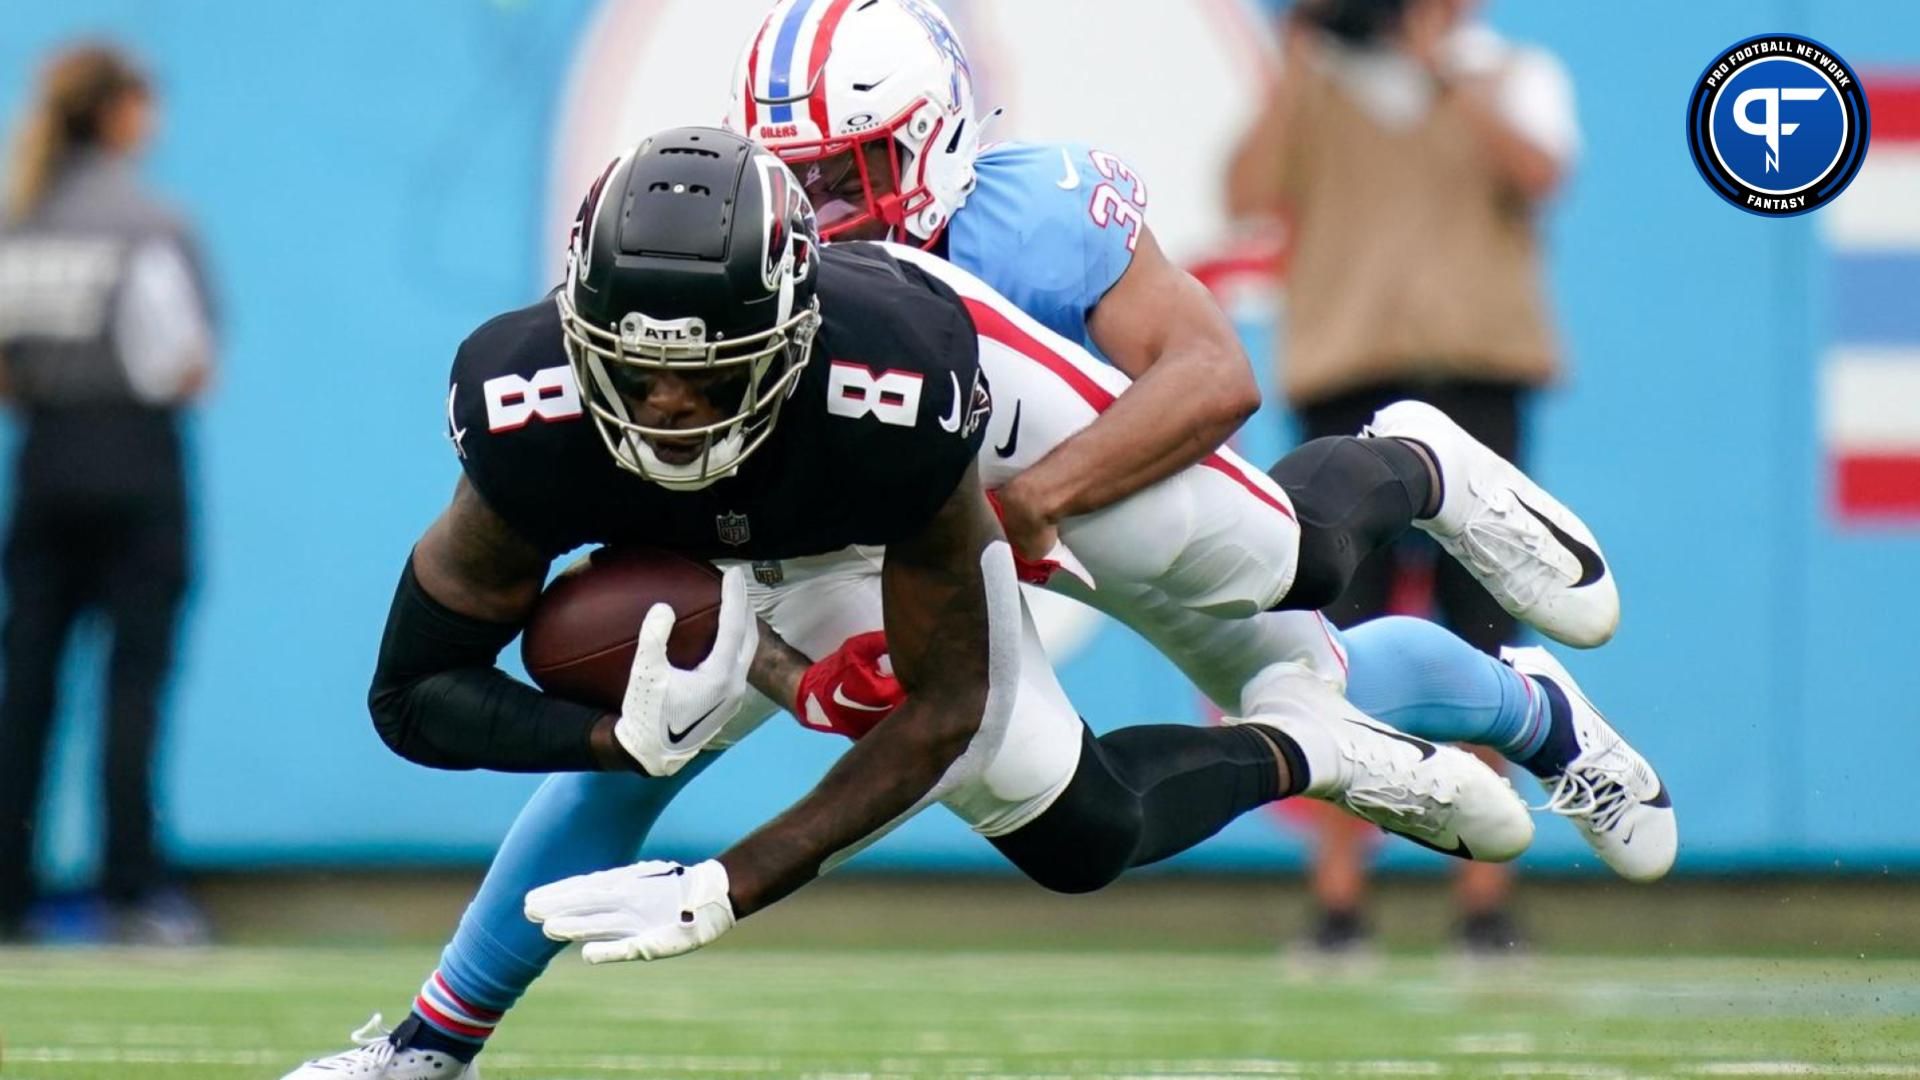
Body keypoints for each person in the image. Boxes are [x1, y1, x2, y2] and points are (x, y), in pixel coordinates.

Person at [286, 3, 1671, 1073]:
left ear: (937, 130)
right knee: (726, 714)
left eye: (854, 170)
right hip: (887, 495)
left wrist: (1030, 510)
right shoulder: (721, 299)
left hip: (1046, 453)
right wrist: (765, 676)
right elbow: (688, 557)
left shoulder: (1016, 224)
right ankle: (431, 1038)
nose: (827, 211)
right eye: (800, 177)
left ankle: (1423, 479)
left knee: (1296, 585)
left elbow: (1207, 382)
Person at [1226, 0, 1589, 957]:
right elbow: (1245, 190)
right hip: (1352, 380)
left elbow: (1541, 173)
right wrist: (1305, 60)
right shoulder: (1322, 84)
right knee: (1336, 645)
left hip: (1477, 376)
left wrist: (1446, 70)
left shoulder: (1510, 70)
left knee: (1489, 638)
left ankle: (1486, 899)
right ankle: (1340, 901)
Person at [0, 43, 215, 946]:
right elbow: (180, 362)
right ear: (121, 112)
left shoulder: (22, 223)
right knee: (135, 681)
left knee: (29, 682)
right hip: (135, 461)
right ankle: (131, 888)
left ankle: (10, 889)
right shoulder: (146, 224)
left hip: (44, 462)